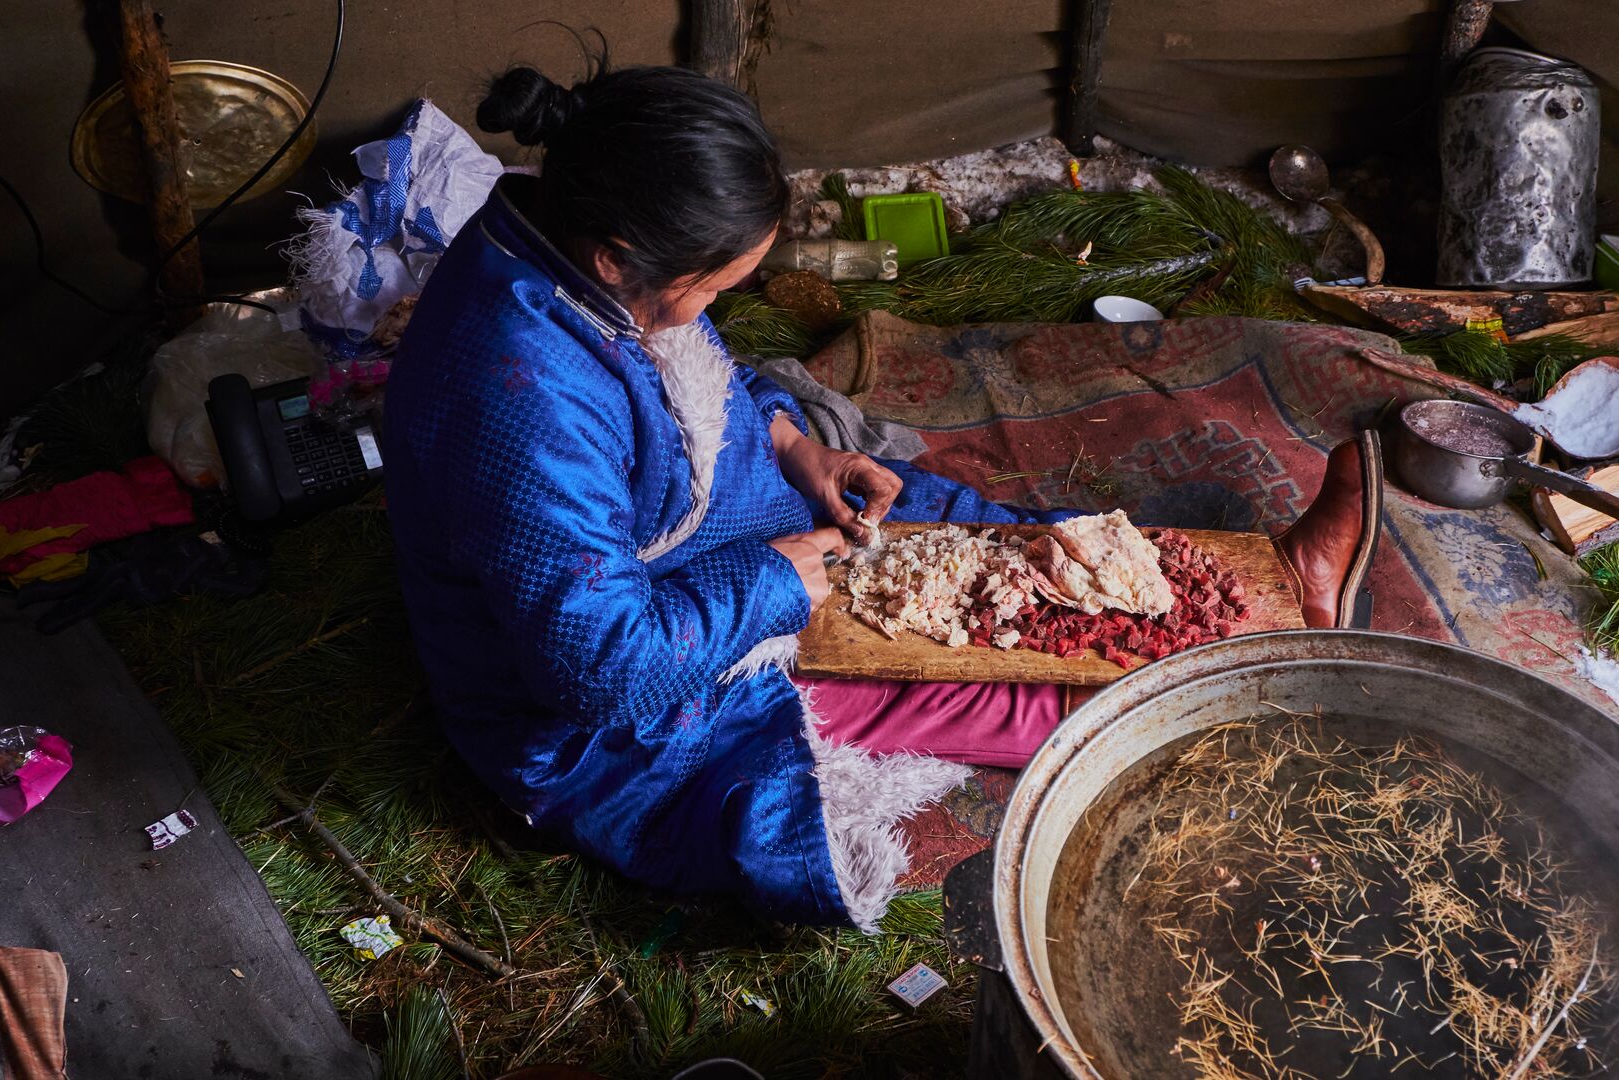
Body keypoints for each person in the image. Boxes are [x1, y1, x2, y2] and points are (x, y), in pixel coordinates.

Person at [383, 56, 1379, 932]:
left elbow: (687, 374)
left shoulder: (573, 239)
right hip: (602, 708)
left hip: (679, 550)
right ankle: (1230, 667)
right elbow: (599, 669)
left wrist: (787, 447)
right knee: (974, 667)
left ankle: (1269, 584)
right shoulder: (517, 401)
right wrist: (776, 581)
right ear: (620, 261)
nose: (717, 307)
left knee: (974, 544)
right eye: (717, 287)